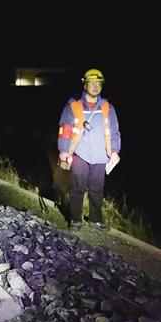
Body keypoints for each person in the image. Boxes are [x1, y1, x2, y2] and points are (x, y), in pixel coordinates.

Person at [57, 68, 121, 231]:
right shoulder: (73, 105)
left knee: (97, 189)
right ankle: (75, 220)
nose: (95, 87)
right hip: (80, 154)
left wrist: (114, 151)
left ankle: (95, 220)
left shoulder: (107, 107)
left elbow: (114, 131)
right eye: (91, 83)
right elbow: (65, 129)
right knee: (77, 188)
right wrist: (63, 150)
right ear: (84, 85)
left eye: (98, 84)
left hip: (101, 155)